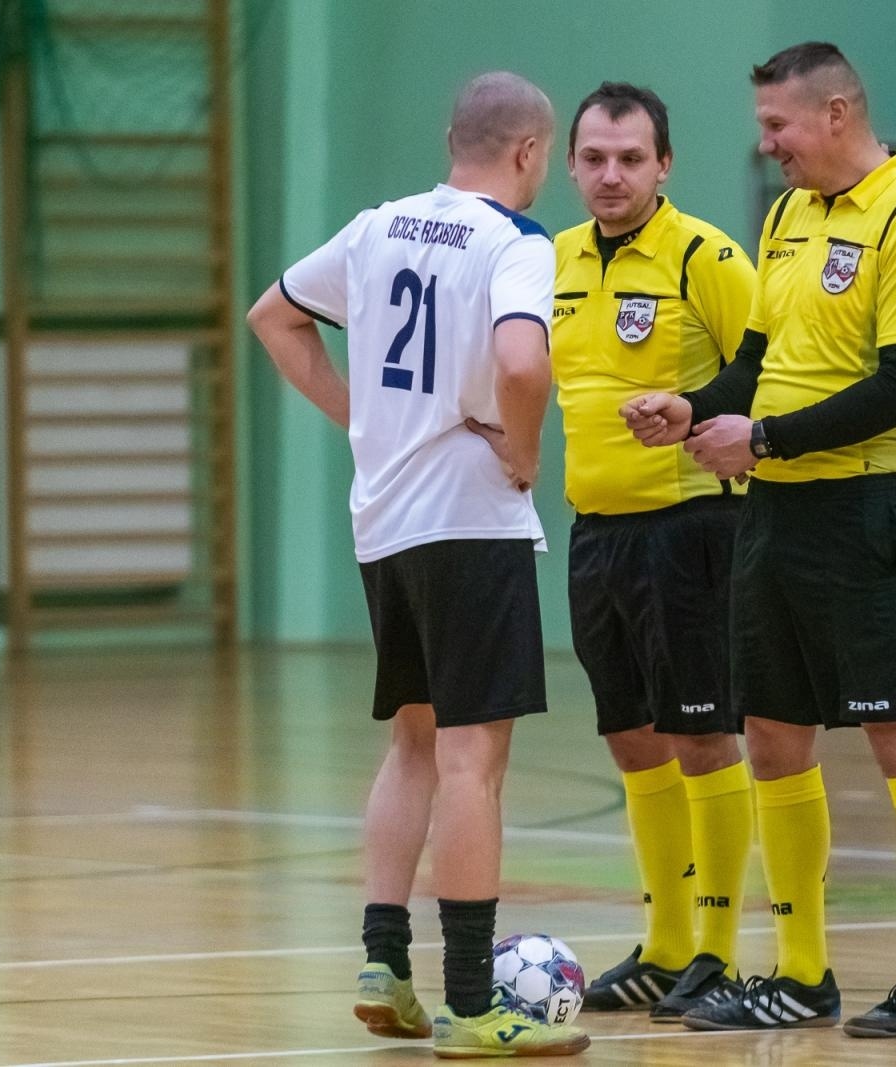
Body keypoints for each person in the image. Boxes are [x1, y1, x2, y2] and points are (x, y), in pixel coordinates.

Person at [621, 42, 896, 1039]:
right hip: (772, 514)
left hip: (864, 513)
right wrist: (695, 406)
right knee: (773, 736)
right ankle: (802, 971)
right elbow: (759, 361)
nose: (767, 144)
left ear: (835, 113)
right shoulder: (788, 216)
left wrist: (764, 438)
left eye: (776, 125)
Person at [247, 71, 588, 1058]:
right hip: (470, 522)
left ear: (453, 138)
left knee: (413, 743)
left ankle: (383, 964)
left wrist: (366, 420)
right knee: (472, 760)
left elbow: (272, 316)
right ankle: (474, 1004)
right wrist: (525, 450)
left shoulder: (376, 228)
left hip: (385, 524)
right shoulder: (515, 242)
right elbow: (522, 363)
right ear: (529, 152)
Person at [545, 82, 759, 1022]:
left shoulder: (705, 255)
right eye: (594, 158)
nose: (612, 175)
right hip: (596, 529)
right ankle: (666, 944)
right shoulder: (552, 260)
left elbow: (768, 365)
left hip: (690, 527)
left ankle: (716, 947)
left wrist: (699, 410)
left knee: (701, 735)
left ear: (664, 164)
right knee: (632, 736)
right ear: (570, 165)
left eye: (631, 158)